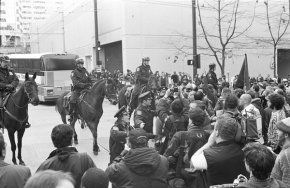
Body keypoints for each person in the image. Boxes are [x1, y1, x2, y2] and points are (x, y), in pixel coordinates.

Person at [190, 116, 248, 186]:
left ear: (217, 132)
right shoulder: (245, 151)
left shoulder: (207, 156)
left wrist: (209, 143)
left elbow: (192, 163)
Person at [36, 124, 96, 188]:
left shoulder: (45, 165)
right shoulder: (85, 159)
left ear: (53, 142)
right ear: (72, 140)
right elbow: (98, 180)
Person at [0, 56, 23, 129]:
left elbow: (16, 79)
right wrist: (6, 85)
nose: (6, 64)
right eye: (4, 62)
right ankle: (1, 122)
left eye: (7, 62)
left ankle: (23, 120)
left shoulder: (11, 70)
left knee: (21, 102)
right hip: (1, 92)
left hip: (11, 91)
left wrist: (12, 85)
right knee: (0, 105)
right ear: (0, 62)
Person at [271, 118, 290, 187]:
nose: (276, 132)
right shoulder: (286, 151)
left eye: (279, 130)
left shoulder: (286, 154)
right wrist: (274, 155)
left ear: (286, 135)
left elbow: (287, 183)